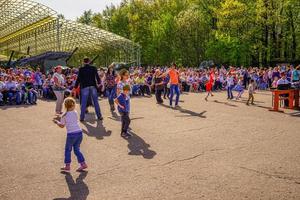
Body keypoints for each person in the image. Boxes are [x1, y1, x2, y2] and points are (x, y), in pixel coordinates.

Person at [53, 97, 88, 172]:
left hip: (71, 134)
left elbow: (62, 125)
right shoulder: (75, 112)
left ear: (65, 106)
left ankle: (67, 165)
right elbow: (70, 117)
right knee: (76, 150)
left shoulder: (64, 115)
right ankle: (83, 163)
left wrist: (57, 122)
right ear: (73, 105)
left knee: (68, 150)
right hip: (79, 133)